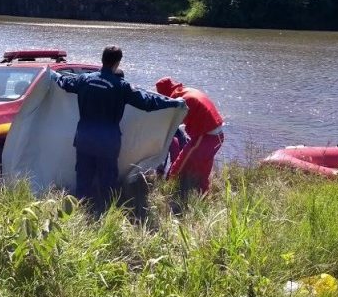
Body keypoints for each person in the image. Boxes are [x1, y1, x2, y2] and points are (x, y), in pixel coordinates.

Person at [54, 46, 186, 214]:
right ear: (117, 63)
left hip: (84, 138)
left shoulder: (84, 80)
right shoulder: (120, 86)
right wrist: (174, 103)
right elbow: (148, 102)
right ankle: (106, 213)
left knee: (83, 178)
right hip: (107, 142)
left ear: (102, 59)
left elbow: (63, 83)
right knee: (107, 180)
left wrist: (53, 75)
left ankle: (80, 212)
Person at [155, 77, 224, 202]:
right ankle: (203, 198)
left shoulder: (180, 100)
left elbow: (172, 124)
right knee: (203, 171)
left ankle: (169, 191)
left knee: (181, 164)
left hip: (205, 137)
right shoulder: (187, 91)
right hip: (218, 136)